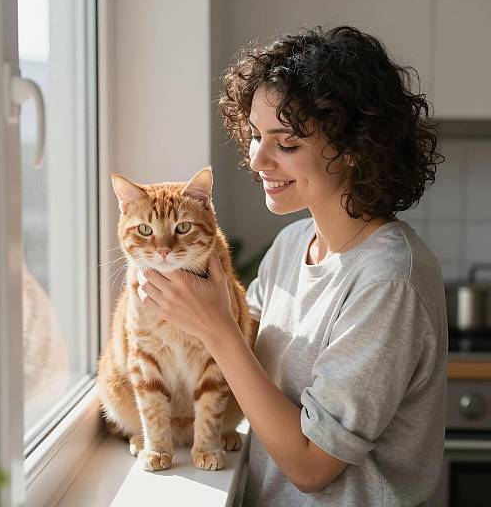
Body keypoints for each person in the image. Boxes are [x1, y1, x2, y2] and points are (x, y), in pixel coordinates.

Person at [137, 26, 447, 506]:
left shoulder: (389, 280)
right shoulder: (292, 243)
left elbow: (310, 467)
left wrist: (217, 327)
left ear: (354, 147)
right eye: (255, 135)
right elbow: (241, 357)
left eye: (286, 144)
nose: (257, 159)